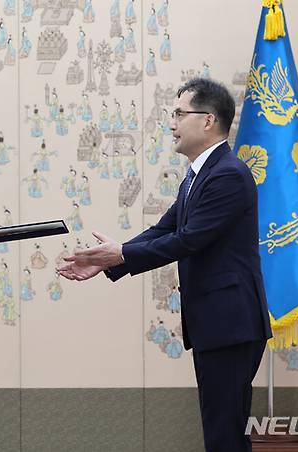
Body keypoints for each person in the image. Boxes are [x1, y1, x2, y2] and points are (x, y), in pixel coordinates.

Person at [58, 78, 272, 452]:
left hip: (231, 323)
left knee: (224, 431)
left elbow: (189, 240)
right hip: (216, 324)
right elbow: (165, 228)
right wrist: (111, 260)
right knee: (220, 428)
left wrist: (121, 255)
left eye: (178, 114)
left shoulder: (228, 174)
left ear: (207, 120)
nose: (171, 123)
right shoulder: (197, 176)